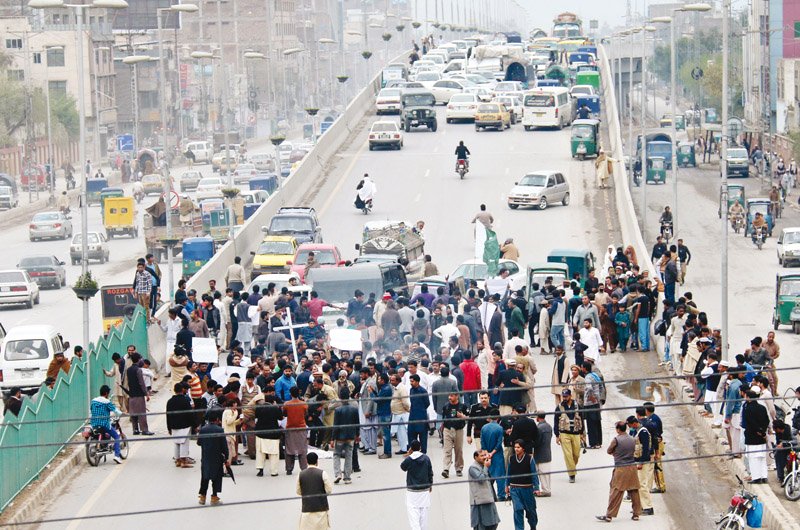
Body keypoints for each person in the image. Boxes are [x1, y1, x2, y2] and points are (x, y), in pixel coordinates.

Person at [596, 421, 642, 522]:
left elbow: (609, 451)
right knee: (634, 490)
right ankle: (636, 514)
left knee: (616, 491)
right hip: (632, 467)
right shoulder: (632, 439)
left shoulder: (616, 439)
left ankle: (609, 515)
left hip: (621, 468)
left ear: (617, 429)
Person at [505, 439, 539, 530]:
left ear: (523, 448)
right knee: (518, 509)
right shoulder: (511, 458)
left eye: (518, 447)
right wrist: (506, 485)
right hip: (514, 489)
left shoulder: (530, 459)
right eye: (515, 447)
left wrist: (536, 488)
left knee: (531, 512)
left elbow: (534, 474)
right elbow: (508, 473)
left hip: (527, 489)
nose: (516, 449)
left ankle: (533, 526)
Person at [197, 409, 229, 505]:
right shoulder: (220, 430)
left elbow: (199, 442)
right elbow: (224, 446)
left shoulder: (203, 429)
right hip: (217, 457)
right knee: (216, 478)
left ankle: (202, 497)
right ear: (217, 419)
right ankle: (214, 497)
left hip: (206, 457)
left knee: (205, 477)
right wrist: (226, 457)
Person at [401, 439, 434, 530]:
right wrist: (430, 484)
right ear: (420, 448)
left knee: (413, 516)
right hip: (424, 490)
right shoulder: (426, 458)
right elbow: (430, 472)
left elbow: (402, 467)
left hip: (412, 491)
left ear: (411, 448)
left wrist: (408, 454)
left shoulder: (409, 459)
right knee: (424, 516)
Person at [330, 387, 360, 485]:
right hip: (351, 436)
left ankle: (338, 474)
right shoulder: (354, 409)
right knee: (349, 455)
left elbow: (336, 425)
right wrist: (357, 435)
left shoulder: (338, 410)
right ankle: (347, 477)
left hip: (339, 437)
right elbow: (357, 424)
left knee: (336, 454)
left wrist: (332, 438)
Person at [297, 452, 333, 530]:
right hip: (321, 509)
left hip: (307, 509)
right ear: (317, 461)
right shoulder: (323, 473)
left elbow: (298, 491)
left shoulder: (301, 474)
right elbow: (329, 490)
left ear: (307, 461)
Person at [553, 388, 582, 483]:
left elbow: (581, 419)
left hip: (576, 433)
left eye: (566, 396)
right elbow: (556, 421)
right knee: (568, 455)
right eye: (563, 396)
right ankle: (572, 474)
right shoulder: (559, 407)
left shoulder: (577, 406)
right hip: (564, 433)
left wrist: (583, 433)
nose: (564, 398)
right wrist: (557, 435)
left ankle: (571, 467)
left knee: (576, 454)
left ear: (570, 396)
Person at [89, 385, 123, 464]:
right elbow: (116, 411)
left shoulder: (93, 401)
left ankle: (103, 445)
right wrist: (122, 413)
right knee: (117, 436)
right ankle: (117, 456)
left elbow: (91, 409)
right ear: (106, 393)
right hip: (104, 424)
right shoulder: (107, 402)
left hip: (94, 423)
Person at [742, 386, 770, 483]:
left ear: (749, 398)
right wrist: (763, 432)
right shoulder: (762, 408)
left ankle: (756, 478)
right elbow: (767, 420)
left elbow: (751, 423)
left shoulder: (748, 409)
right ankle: (764, 476)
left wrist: (758, 431)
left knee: (753, 458)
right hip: (761, 437)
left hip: (752, 437)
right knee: (762, 457)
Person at [627, 415, 654, 516]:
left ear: (634, 423)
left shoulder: (643, 432)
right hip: (637, 461)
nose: (630, 427)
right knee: (639, 485)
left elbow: (646, 448)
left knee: (642, 485)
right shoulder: (637, 431)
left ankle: (648, 507)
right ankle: (641, 506)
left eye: (630, 425)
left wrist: (642, 462)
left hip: (643, 462)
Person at [469, 450, 502, 530]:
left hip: (488, 500)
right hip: (479, 502)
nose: (484, 457)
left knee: (493, 524)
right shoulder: (473, 468)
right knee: (481, 526)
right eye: (482, 456)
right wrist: (486, 467)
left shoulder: (483, 466)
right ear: (476, 457)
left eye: (485, 455)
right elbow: (481, 479)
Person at [166, 383, 195, 468]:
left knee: (176, 442)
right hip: (185, 425)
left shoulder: (170, 401)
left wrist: (169, 427)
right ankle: (183, 461)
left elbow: (168, 415)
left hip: (174, 425)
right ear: (182, 390)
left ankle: (177, 460)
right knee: (184, 442)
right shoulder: (185, 400)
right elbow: (190, 414)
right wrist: (194, 424)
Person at [441, 392, 469, 478]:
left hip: (459, 430)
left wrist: (462, 416)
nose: (449, 397)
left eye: (452, 396)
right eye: (449, 396)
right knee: (447, 450)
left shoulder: (463, 406)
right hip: (448, 430)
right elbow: (443, 418)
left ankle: (459, 468)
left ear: (457, 396)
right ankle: (446, 469)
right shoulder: (446, 406)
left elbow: (469, 418)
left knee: (458, 450)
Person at [480, 413, 507, 500]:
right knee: (500, 476)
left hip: (487, 454)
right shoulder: (499, 428)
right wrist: (492, 453)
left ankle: (489, 495)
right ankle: (501, 495)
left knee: (488, 475)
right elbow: (499, 443)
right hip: (497, 455)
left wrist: (487, 453)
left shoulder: (484, 427)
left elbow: (482, 442)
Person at [533, 412, 553, 497]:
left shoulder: (539, 428)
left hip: (540, 453)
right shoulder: (549, 426)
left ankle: (546, 490)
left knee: (541, 473)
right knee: (546, 474)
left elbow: (537, 442)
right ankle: (547, 489)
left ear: (538, 417)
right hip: (547, 452)